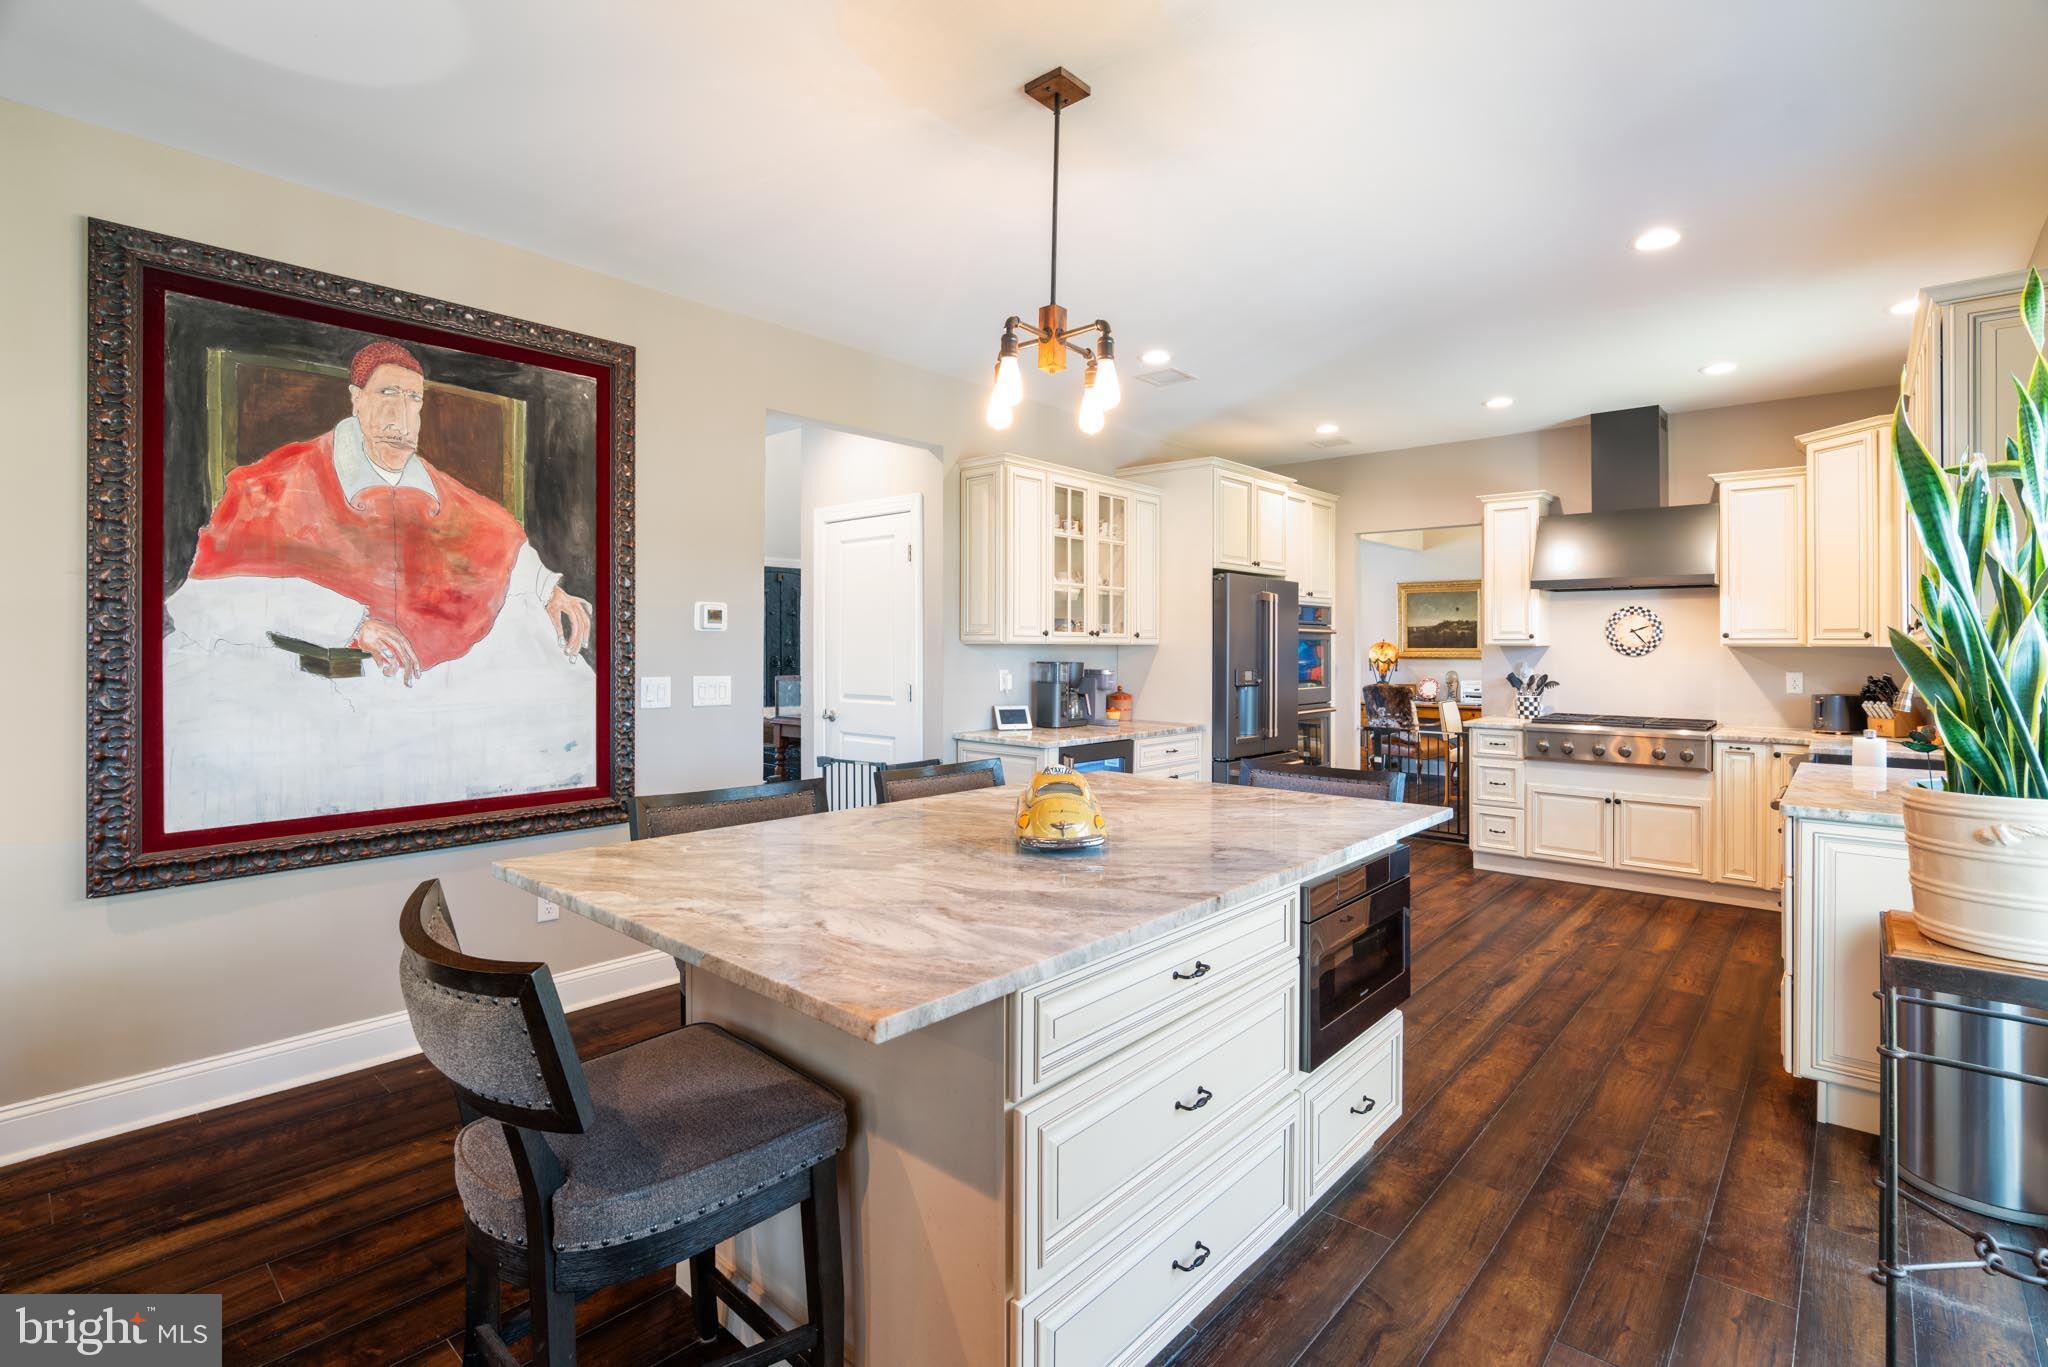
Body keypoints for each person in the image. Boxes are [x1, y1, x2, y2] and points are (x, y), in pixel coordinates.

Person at [162, 340, 597, 830]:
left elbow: (498, 541)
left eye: (414, 399)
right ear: (357, 398)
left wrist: (547, 590)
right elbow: (211, 595)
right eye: (388, 393)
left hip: (426, 685)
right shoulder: (278, 481)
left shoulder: (440, 492)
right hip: (307, 681)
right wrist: (348, 622)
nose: (402, 414)